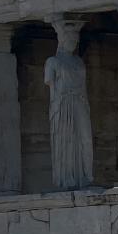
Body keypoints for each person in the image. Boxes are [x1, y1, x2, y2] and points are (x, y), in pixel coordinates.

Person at [44, 18, 93, 189]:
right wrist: (56, 109)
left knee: (85, 138)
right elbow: (51, 88)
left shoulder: (79, 62)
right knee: (67, 140)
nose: (74, 42)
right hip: (63, 104)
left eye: (75, 39)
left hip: (79, 102)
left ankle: (85, 177)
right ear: (62, 40)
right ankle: (67, 179)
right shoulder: (53, 62)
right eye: (70, 39)